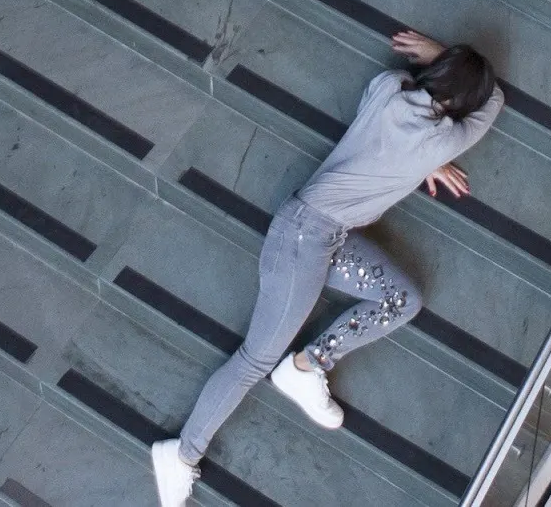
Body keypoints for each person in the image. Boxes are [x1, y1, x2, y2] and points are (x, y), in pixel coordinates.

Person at [151, 30, 503, 506]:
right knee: (254, 359)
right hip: (304, 240)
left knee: (403, 299)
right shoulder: (442, 141)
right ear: (462, 103)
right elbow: (493, 100)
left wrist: (444, 66)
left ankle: (305, 365)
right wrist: (445, 94)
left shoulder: (390, 87)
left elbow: (405, 123)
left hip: (323, 235)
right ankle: (182, 453)